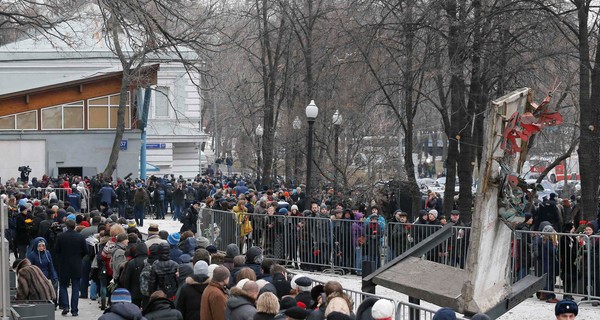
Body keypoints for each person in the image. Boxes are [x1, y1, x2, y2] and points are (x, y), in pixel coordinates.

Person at [54, 219, 88, 316]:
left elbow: (56, 250)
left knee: (63, 286)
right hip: (76, 264)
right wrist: (79, 257)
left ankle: (65, 306)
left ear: (66, 226)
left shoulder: (61, 236)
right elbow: (86, 250)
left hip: (64, 264)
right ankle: (74, 309)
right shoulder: (80, 237)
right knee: (76, 287)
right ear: (75, 226)